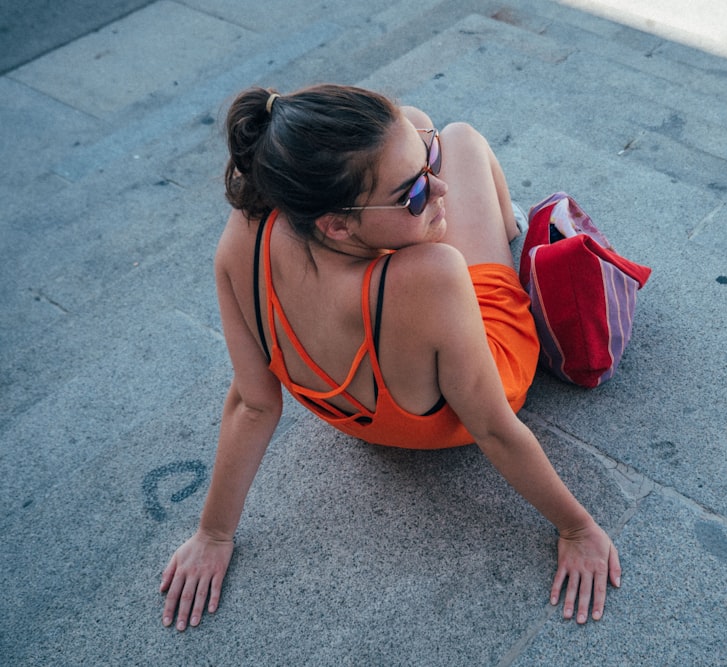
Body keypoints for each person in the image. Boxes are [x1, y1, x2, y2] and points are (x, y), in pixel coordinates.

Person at [159, 84, 621, 631]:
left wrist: (213, 534)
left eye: (426, 165)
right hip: (467, 394)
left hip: (356, 409)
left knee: (418, 121)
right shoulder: (434, 274)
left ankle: (410, 175)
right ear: (336, 224)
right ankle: (506, 223)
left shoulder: (243, 235)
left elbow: (252, 405)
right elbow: (494, 428)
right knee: (461, 138)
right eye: (417, 193)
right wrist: (577, 529)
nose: (439, 187)